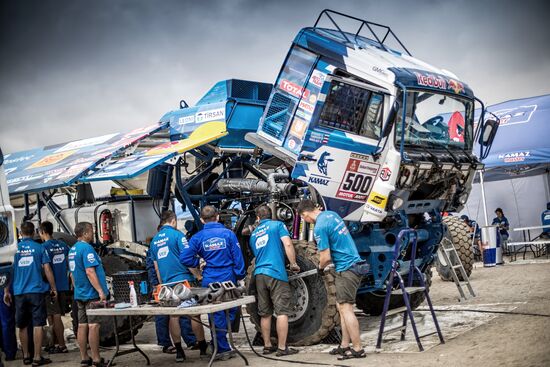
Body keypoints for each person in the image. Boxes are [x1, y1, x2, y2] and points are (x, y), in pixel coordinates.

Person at [297, 200, 366, 360]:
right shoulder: (331, 215)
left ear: (304, 214)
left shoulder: (320, 227)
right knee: (341, 307)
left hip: (347, 269)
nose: (306, 221)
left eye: (303, 218)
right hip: (353, 264)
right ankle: (344, 345)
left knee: (346, 309)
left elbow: (325, 257)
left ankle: (358, 348)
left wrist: (319, 269)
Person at [180, 206, 246, 361]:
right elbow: (238, 257)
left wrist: (199, 261)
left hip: (210, 279)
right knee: (230, 309)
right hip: (228, 278)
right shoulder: (228, 234)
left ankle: (220, 343)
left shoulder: (197, 237)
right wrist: (239, 275)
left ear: (202, 220)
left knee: (216, 313)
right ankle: (222, 347)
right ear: (217, 216)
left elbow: (184, 258)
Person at [150, 211, 206, 363]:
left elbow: (156, 268)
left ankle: (179, 352)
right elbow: (187, 259)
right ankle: (202, 349)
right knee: (194, 314)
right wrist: (198, 275)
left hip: (167, 284)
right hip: (184, 282)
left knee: (173, 316)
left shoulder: (154, 241)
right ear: (173, 221)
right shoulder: (178, 236)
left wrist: (163, 285)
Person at [248, 205, 300, 356]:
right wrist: (293, 264)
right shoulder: (277, 225)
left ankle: (267, 345)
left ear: (258, 218)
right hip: (275, 273)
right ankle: (282, 348)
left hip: (259, 275)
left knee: (265, 313)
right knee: (282, 311)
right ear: (271, 215)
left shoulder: (253, 234)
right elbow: (288, 244)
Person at [3, 221, 56, 366]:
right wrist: (53, 287)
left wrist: (6, 291)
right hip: (36, 291)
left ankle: (26, 356)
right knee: (38, 324)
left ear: (20, 233)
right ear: (33, 233)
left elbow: (8, 272)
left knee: (22, 325)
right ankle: (37, 357)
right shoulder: (39, 248)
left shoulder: (13, 250)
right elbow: (47, 269)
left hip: (19, 292)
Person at [145, 233, 197, 354]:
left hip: (165, 280)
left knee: (177, 314)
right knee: (165, 314)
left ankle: (189, 341)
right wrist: (157, 285)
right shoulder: (174, 238)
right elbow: (153, 267)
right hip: (163, 281)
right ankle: (166, 343)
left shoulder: (155, 243)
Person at [68, 222, 109, 367]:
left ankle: (85, 358)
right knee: (93, 326)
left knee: (82, 326)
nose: (93, 233)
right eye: (91, 231)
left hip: (79, 294)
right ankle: (97, 360)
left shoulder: (72, 250)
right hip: (91, 294)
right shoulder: (87, 249)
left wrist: (77, 289)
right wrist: (100, 291)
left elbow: (72, 275)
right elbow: (90, 271)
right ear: (85, 233)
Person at [38, 221, 69, 354]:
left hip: (52, 287)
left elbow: (46, 269)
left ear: (43, 232)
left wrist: (51, 286)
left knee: (54, 316)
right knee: (53, 316)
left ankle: (61, 345)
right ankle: (54, 343)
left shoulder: (43, 247)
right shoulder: (63, 245)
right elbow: (68, 263)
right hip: (64, 285)